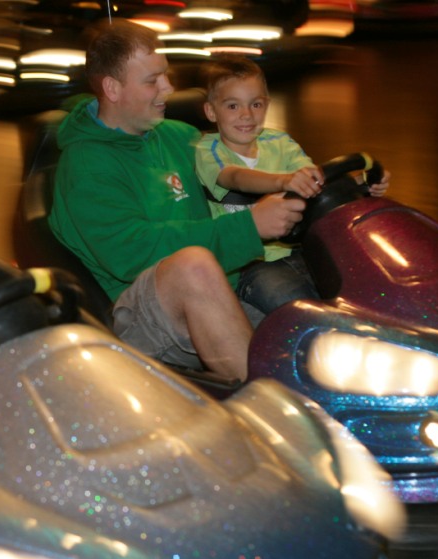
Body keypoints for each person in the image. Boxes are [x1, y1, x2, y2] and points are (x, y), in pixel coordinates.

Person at [48, 19, 304, 381]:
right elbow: (133, 253)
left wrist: (310, 180)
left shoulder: (178, 136)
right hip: (137, 318)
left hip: (222, 289)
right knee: (191, 266)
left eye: (166, 76)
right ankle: (273, 403)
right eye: (152, 80)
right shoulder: (87, 166)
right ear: (112, 88)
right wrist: (248, 227)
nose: (168, 88)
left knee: (311, 330)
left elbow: (247, 164)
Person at [196, 56, 391, 313]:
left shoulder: (279, 142)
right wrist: (284, 180)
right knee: (299, 305)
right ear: (211, 111)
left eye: (256, 104)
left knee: (363, 282)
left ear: (267, 105)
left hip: (299, 251)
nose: (246, 115)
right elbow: (233, 177)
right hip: (250, 264)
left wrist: (360, 185)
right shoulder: (209, 150)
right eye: (233, 106)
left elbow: (314, 180)